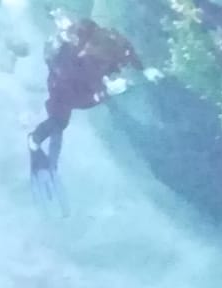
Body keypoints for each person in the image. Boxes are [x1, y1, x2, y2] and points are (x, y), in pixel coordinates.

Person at [27, 12, 155, 202]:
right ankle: (36, 144)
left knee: (59, 120)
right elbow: (80, 99)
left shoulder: (106, 43)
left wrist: (143, 69)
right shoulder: (81, 62)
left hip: (70, 78)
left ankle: (43, 148)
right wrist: (106, 92)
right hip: (63, 82)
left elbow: (126, 52)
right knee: (59, 120)